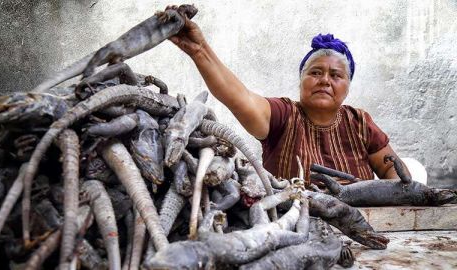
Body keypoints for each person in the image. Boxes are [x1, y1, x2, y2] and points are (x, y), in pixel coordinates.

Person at [170, 17, 408, 185]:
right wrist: (200, 51)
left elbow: (392, 169)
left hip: (362, 228)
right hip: (296, 229)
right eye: (315, 73)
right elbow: (239, 97)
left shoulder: (360, 122)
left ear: (347, 87)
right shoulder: (283, 115)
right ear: (301, 81)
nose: (325, 80)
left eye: (336, 75)